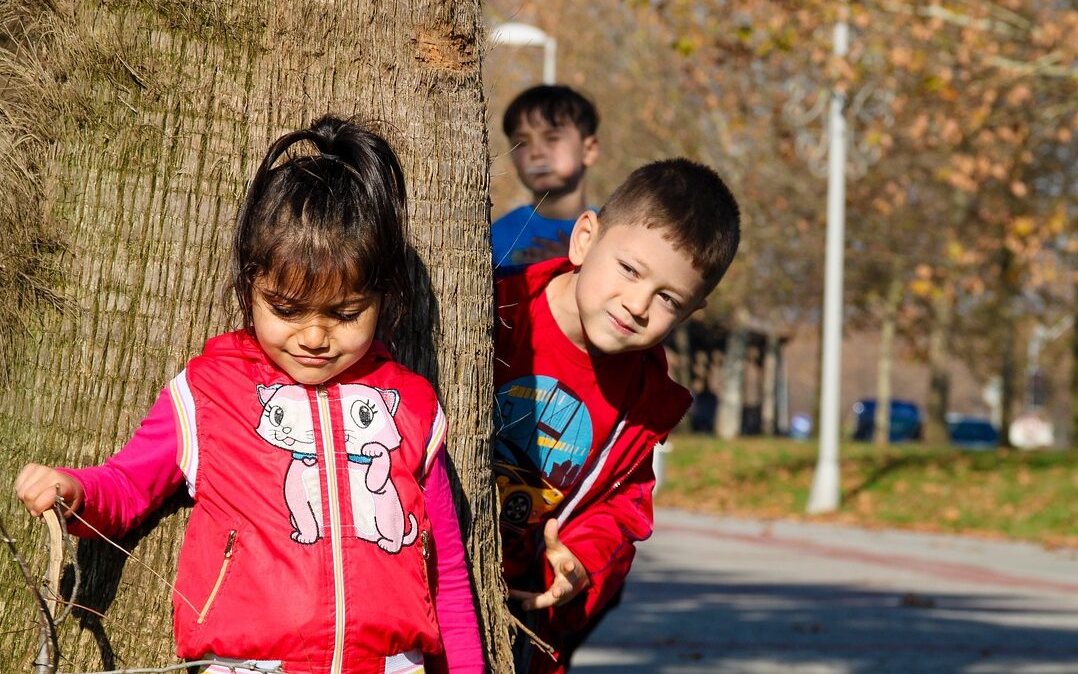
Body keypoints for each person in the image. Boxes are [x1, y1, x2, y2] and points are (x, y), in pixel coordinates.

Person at [15, 116, 484, 674]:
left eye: (345, 314)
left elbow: (448, 575)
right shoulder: (207, 393)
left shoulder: (410, 406)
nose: (314, 336)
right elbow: (127, 485)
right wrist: (75, 492)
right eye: (286, 310)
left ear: (382, 299)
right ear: (248, 286)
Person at [492, 158, 741, 673]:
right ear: (585, 238)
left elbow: (624, 508)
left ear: (693, 311)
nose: (637, 304)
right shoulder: (496, 309)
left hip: (520, 618)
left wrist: (579, 563)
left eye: (668, 298)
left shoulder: (644, 402)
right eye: (629, 269)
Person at [491, 85, 600, 269]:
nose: (536, 153)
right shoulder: (494, 237)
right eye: (522, 143)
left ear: (588, 150)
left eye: (552, 138)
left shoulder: (609, 235)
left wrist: (574, 269)